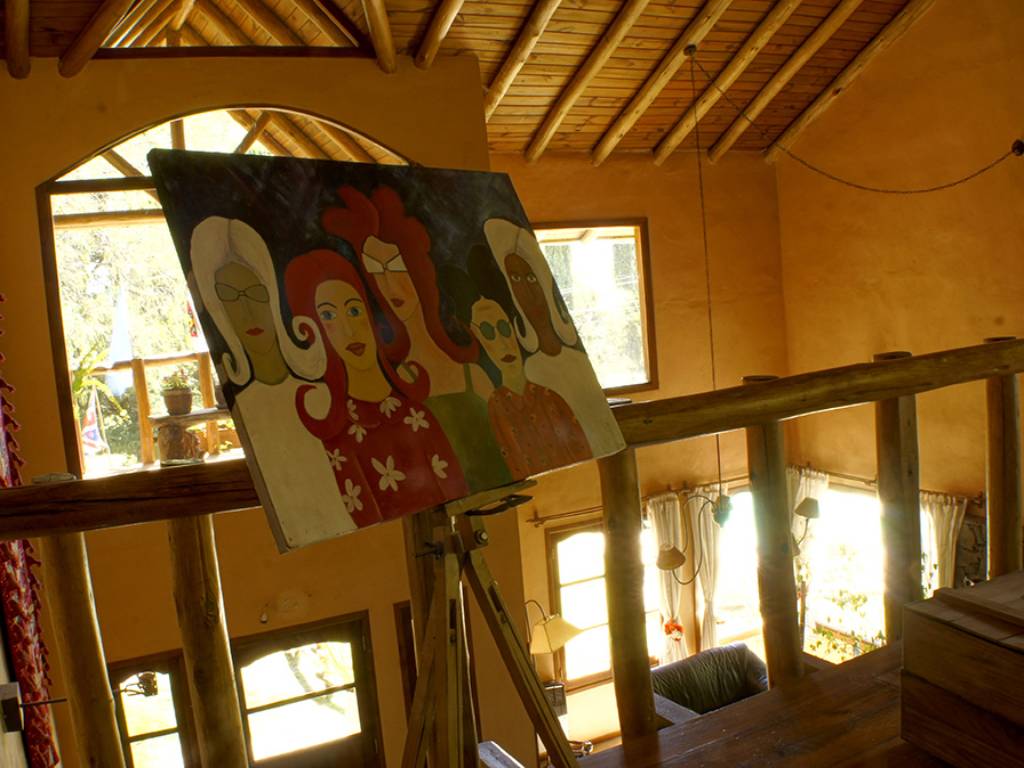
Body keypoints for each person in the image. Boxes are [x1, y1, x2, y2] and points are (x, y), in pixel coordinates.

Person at [322, 186, 512, 492]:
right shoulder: (389, 386)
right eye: (376, 271)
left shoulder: (472, 374)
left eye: (396, 266)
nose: (390, 284)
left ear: (418, 269)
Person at [190, 216, 351, 549]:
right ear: (217, 309)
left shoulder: (325, 394)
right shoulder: (247, 406)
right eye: (230, 297)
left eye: (255, 293)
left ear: (273, 296)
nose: (247, 311)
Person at [284, 248, 468, 526]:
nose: (349, 330)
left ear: (372, 317)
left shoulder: (417, 414)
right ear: (313, 332)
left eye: (354, 310)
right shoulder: (339, 436)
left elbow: (456, 490)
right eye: (328, 316)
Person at [484, 218, 624, 457]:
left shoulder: (576, 361)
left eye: (531, 278)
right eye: (515, 279)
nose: (528, 291)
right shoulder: (526, 373)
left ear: (543, 282)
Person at [463, 249, 592, 477]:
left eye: (504, 328)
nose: (503, 342)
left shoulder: (551, 397)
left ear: (514, 327)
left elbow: (584, 454)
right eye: (488, 332)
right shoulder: (493, 409)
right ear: (477, 339)